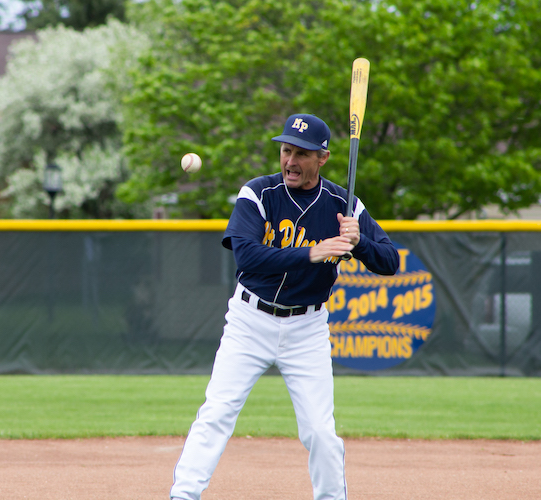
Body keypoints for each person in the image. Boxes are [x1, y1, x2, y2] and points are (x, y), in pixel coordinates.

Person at [170, 113, 399, 500]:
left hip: (307, 329)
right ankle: (183, 495)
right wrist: (312, 253)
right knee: (217, 412)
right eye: (285, 151)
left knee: (320, 431)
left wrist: (359, 242)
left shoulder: (343, 204)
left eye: (301, 154)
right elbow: (247, 256)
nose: (290, 161)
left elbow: (389, 262)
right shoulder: (258, 194)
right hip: (249, 319)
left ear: (322, 158)